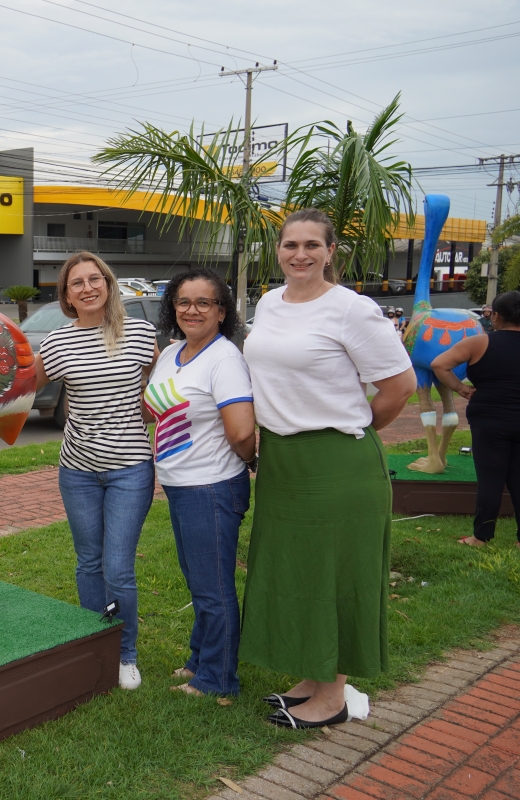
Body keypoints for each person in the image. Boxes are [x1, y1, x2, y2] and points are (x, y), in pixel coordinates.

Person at [241, 209, 416, 729]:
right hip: (282, 463)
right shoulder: (269, 303)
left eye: (312, 245)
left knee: (335, 573)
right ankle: (312, 674)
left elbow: (400, 386)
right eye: (290, 244)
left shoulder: (352, 310)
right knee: (297, 570)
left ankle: (333, 696)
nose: (300, 254)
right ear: (278, 250)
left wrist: (350, 428)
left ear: (330, 251)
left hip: (337, 464)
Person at [34, 251, 159, 691]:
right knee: (88, 562)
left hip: (130, 469)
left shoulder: (140, 333)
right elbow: (21, 387)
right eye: (77, 283)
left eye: (94, 279)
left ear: (108, 283)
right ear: (67, 296)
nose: (87, 288)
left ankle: (125, 653)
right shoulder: (56, 343)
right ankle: (94, 647)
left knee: (118, 567)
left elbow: (162, 385)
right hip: (78, 471)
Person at [145, 267, 255, 697]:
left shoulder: (224, 359)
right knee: (198, 580)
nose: (192, 310)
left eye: (204, 302)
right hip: (180, 484)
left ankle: (218, 678)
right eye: (183, 301)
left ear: (221, 311)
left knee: (212, 587)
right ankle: (199, 660)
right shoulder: (173, 353)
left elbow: (242, 431)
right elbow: (155, 407)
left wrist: (250, 460)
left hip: (211, 487)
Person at [432, 291, 520, 548]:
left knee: (490, 478)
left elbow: (439, 364)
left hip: (489, 419)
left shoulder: (479, 342)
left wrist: (460, 388)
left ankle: (481, 537)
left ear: (496, 315)